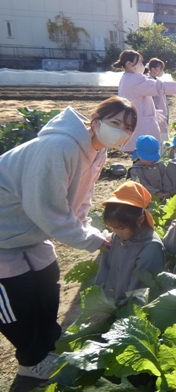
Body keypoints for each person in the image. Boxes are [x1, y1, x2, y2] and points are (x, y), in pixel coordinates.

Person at [0, 96, 135, 380]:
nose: (120, 131)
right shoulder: (59, 147)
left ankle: (47, 349)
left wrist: (89, 231)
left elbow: (81, 200)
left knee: (47, 283)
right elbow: (47, 210)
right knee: (17, 300)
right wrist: (92, 241)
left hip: (27, 231)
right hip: (5, 230)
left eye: (127, 128)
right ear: (95, 121)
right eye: (114, 122)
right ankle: (31, 361)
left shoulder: (97, 152)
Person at [97, 182, 164, 305]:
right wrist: (100, 295)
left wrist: (123, 308)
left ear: (140, 220)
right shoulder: (117, 236)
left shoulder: (151, 247)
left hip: (128, 307)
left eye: (121, 228)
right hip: (111, 301)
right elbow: (105, 268)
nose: (116, 232)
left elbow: (139, 290)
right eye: (113, 228)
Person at [115, 50, 176, 152]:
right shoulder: (134, 79)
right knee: (144, 153)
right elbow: (157, 87)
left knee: (140, 153)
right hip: (140, 126)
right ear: (129, 64)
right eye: (140, 63)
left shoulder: (127, 78)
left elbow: (138, 101)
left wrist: (151, 111)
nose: (142, 65)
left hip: (136, 120)